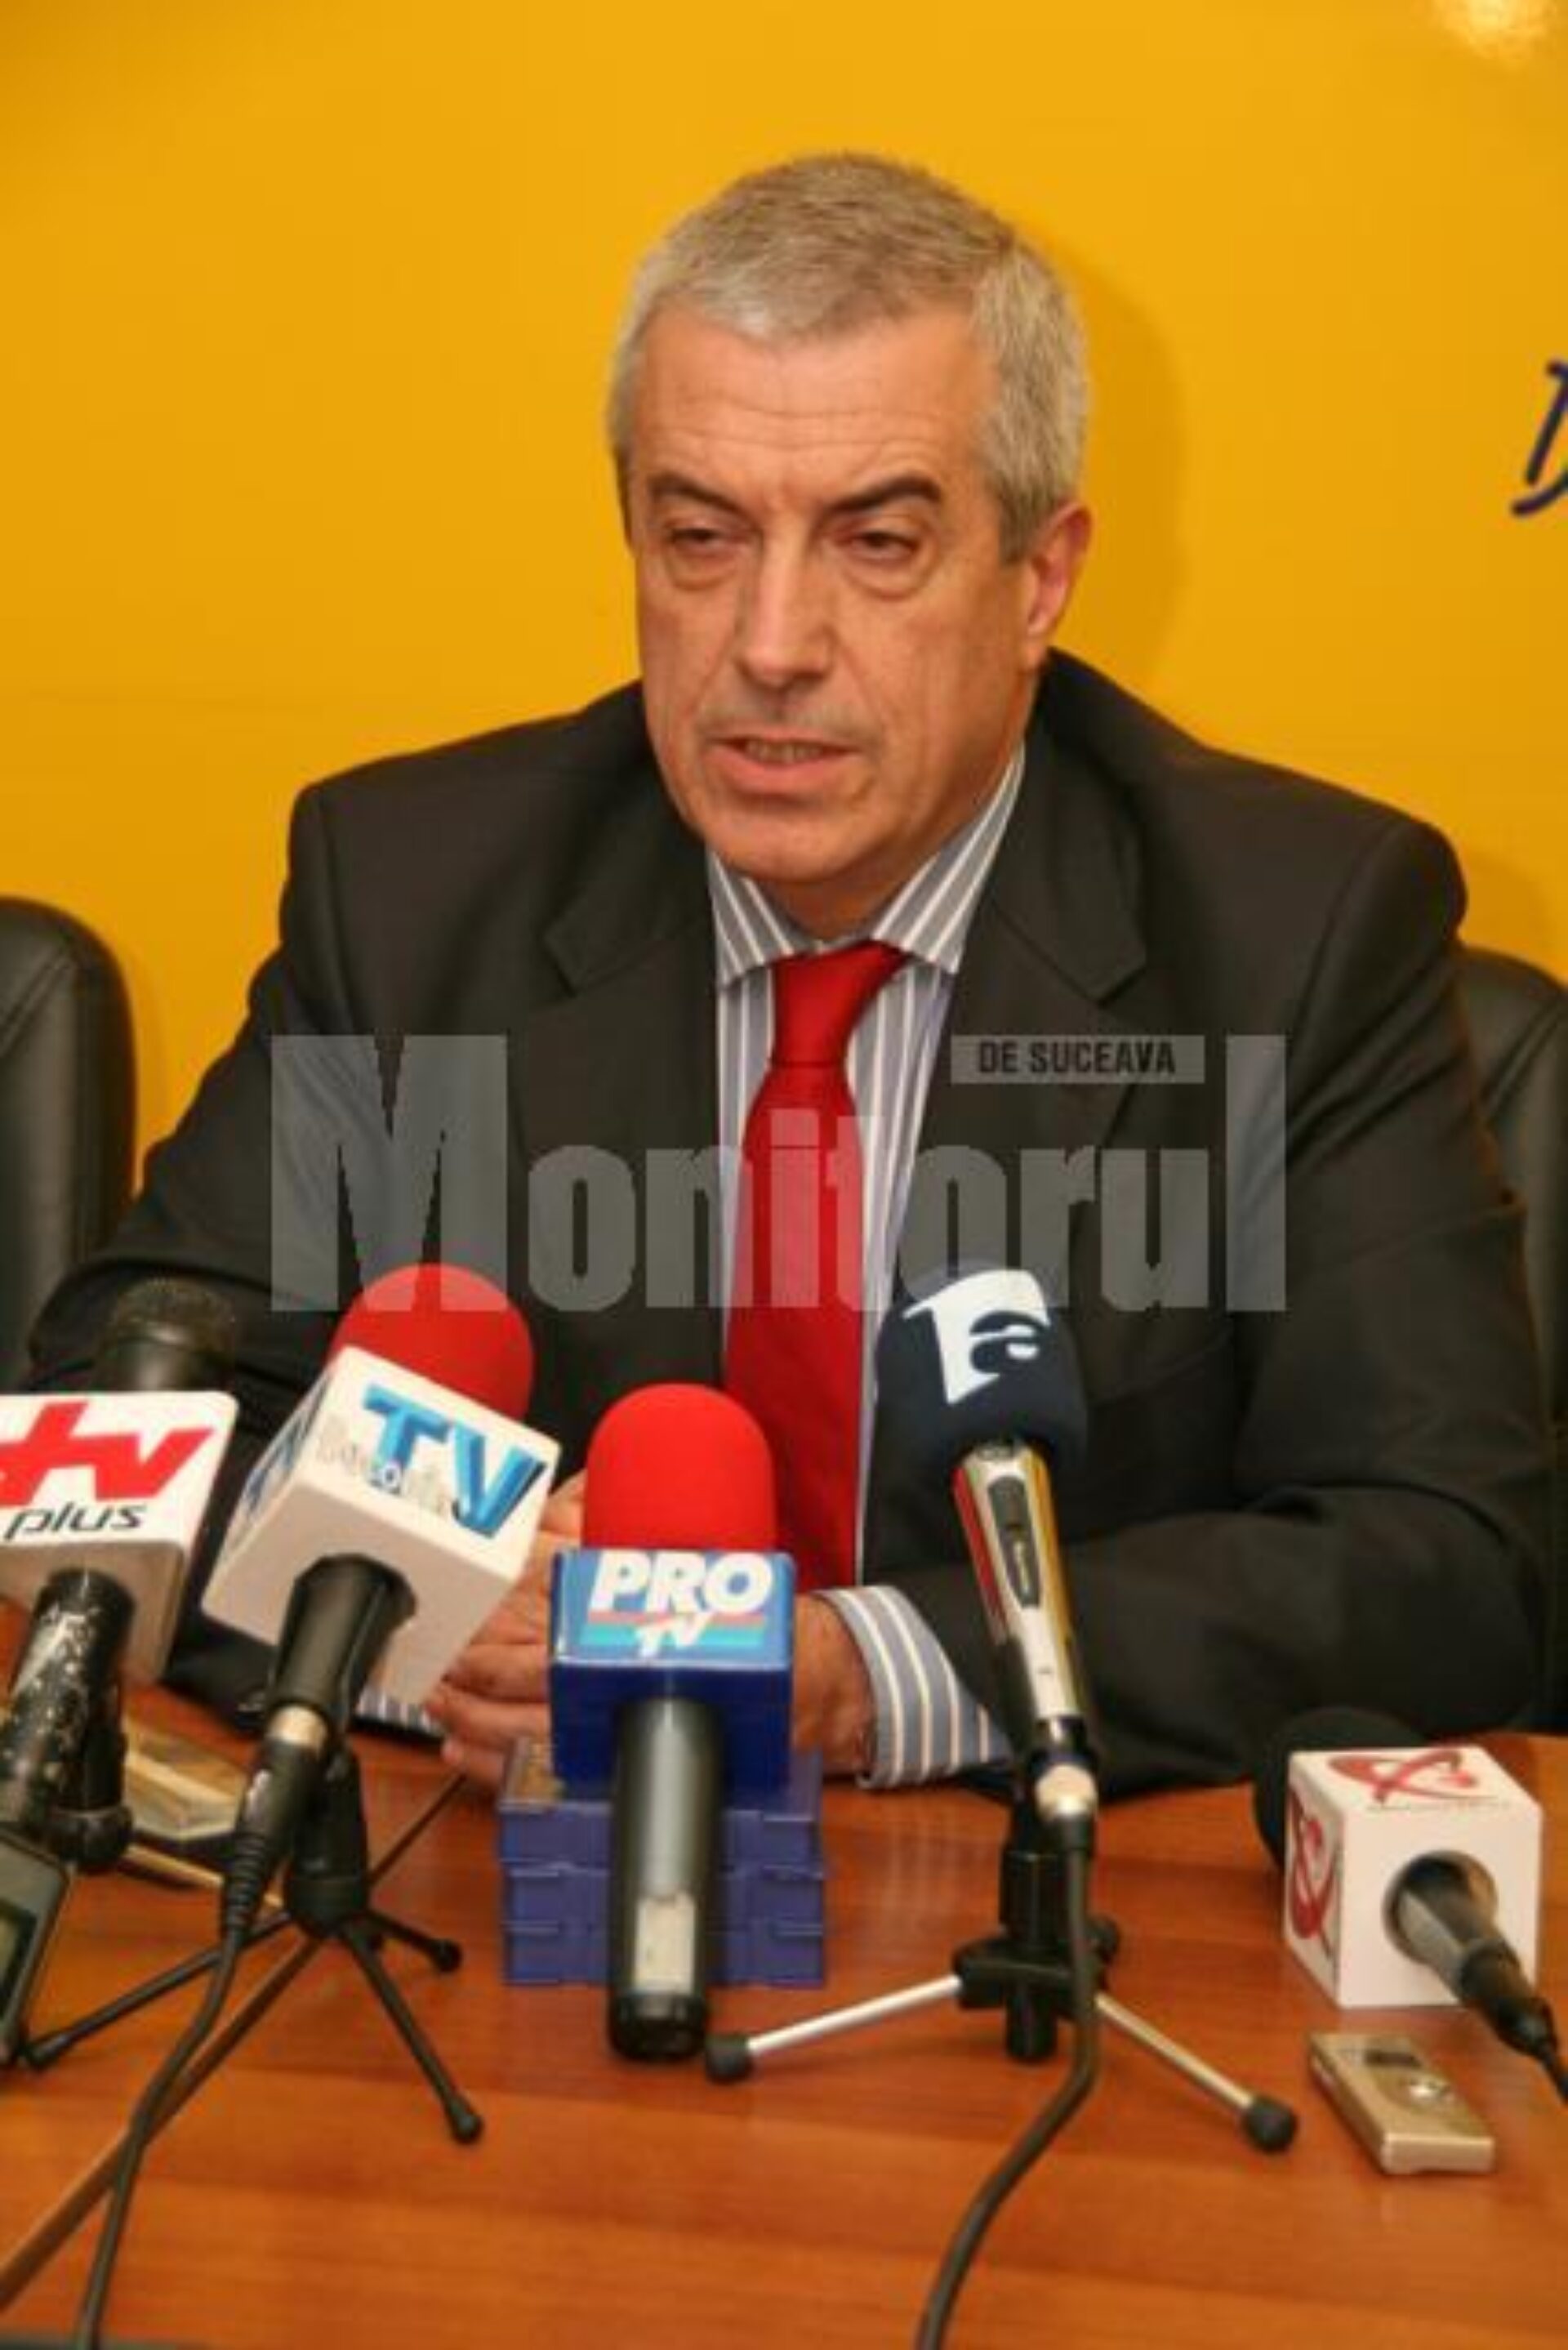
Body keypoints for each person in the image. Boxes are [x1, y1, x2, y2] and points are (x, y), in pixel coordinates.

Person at [28, 154, 1549, 1800]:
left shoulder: (1294, 934)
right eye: (701, 537)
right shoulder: (414, 897)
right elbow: (128, 1412)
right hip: (497, 1871)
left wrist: (862, 1672)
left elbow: (1449, 1561)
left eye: (876, 543)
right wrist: (432, 1594)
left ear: (1041, 577)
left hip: (1020, 1890)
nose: (770, 643)